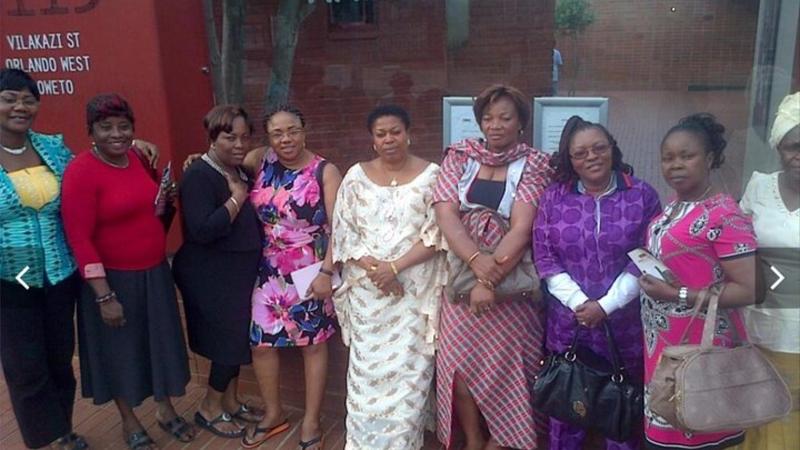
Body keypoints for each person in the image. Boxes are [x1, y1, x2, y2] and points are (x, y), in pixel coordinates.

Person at [0, 69, 158, 450]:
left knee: (59, 358)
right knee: (26, 365)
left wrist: (134, 146)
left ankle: (63, 429)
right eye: (9, 99)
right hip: (12, 276)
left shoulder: (52, 148)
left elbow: (94, 163)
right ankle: (46, 438)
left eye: (28, 100)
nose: (20, 107)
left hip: (60, 272)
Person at [61, 94, 194, 450]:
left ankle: (165, 409)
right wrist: (104, 295)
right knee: (120, 353)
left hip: (153, 273)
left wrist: (165, 193)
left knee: (159, 346)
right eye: (105, 127)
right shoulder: (80, 172)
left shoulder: (138, 157)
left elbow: (148, 208)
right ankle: (130, 421)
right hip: (113, 280)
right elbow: (79, 238)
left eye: (124, 126)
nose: (116, 134)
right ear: (90, 131)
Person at [433, 84, 552, 450]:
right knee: (459, 367)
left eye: (505, 117)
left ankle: (501, 441)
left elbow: (522, 227)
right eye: (488, 118)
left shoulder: (534, 163)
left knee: (511, 370)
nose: (495, 125)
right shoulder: (459, 156)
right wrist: (475, 262)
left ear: (521, 123)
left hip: (511, 284)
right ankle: (472, 439)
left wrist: (488, 281)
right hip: (461, 278)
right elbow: (446, 214)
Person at [534, 116, 661, 450]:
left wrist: (605, 306)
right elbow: (545, 257)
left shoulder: (642, 195)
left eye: (599, 148)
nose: (591, 157)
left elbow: (647, 255)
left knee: (619, 409)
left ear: (612, 150)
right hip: (569, 323)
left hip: (624, 324)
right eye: (580, 153)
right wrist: (581, 304)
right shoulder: (554, 198)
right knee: (567, 406)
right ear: (570, 160)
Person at [639, 113, 759, 450]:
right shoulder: (673, 207)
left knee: (700, 431)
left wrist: (675, 293)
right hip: (665, 348)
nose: (675, 165)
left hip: (702, 348)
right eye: (667, 158)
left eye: (686, 156)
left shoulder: (725, 214)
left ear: (709, 159)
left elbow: (749, 289)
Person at [331, 105, 447, 449]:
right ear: (372, 140)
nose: (388, 139)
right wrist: (378, 272)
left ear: (409, 134)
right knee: (365, 379)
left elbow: (437, 231)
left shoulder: (433, 175)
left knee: (409, 380)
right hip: (368, 297)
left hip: (412, 297)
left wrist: (395, 268)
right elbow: (344, 231)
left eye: (395, 131)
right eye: (381, 134)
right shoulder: (355, 176)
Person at [240, 105, 341, 450]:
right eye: (277, 133)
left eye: (293, 130)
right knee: (260, 343)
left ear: (304, 130)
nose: (286, 139)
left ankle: (312, 421)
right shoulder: (260, 160)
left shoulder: (325, 171)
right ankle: (274, 413)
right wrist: (200, 160)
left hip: (310, 269)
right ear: (269, 137)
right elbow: (225, 165)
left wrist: (327, 270)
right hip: (269, 270)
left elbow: (340, 228)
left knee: (313, 345)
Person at [172, 105, 265, 438]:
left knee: (237, 340)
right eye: (229, 137)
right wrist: (236, 199)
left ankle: (230, 400)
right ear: (212, 137)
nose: (239, 144)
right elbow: (202, 230)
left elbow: (266, 153)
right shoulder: (199, 175)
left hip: (236, 272)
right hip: (210, 274)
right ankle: (209, 408)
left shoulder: (238, 169)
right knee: (228, 341)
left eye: (244, 137)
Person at [740, 91, 800, 450]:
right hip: (756, 330)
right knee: (753, 417)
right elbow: (737, 248)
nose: (799, 156)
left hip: (798, 338)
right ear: (779, 147)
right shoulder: (759, 187)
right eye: (793, 146)